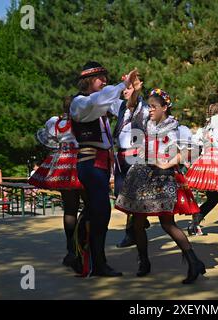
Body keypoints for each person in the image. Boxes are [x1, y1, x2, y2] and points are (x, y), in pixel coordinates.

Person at [115, 88, 205, 284]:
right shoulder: (143, 125)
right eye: (149, 107)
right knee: (137, 223)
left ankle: (193, 261)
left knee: (167, 224)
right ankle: (144, 262)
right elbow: (136, 141)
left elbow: (193, 152)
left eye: (154, 107)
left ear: (165, 107)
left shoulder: (177, 129)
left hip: (162, 178)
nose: (150, 110)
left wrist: (168, 163)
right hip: (140, 177)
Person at [70, 61, 138, 277]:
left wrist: (133, 93)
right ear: (89, 80)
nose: (105, 81)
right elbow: (97, 101)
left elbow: (127, 110)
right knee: (100, 210)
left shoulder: (99, 103)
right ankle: (94, 261)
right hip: (89, 162)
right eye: (101, 78)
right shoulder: (79, 102)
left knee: (96, 211)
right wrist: (121, 85)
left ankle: (83, 257)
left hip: (100, 162)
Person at [29, 96, 86, 269]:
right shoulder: (84, 121)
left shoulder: (55, 122)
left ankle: (71, 248)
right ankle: (81, 246)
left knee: (69, 208)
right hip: (81, 163)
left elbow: (49, 142)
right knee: (90, 205)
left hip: (61, 163)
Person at [186, 90, 218, 240]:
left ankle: (193, 224)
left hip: (206, 164)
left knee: (213, 199)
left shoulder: (204, 128)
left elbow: (195, 144)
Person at [113, 74, 151, 249]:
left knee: (132, 196)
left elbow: (134, 101)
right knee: (120, 195)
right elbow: (106, 99)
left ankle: (131, 232)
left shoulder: (143, 107)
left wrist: (135, 89)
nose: (125, 92)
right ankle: (139, 221)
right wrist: (123, 84)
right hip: (121, 156)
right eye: (124, 90)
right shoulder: (120, 106)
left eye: (128, 89)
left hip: (137, 156)